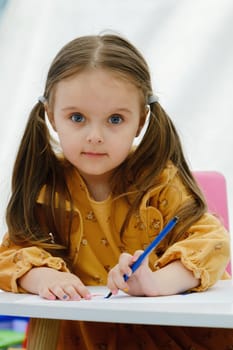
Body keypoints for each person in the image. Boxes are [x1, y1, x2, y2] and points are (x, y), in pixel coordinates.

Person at [0, 33, 232, 349]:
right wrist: (44, 278)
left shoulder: (159, 180)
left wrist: (156, 283)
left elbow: (213, 243)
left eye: (115, 119)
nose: (95, 136)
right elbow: (11, 254)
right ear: (52, 116)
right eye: (77, 117)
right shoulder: (47, 185)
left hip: (180, 336)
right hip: (88, 338)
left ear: (140, 122)